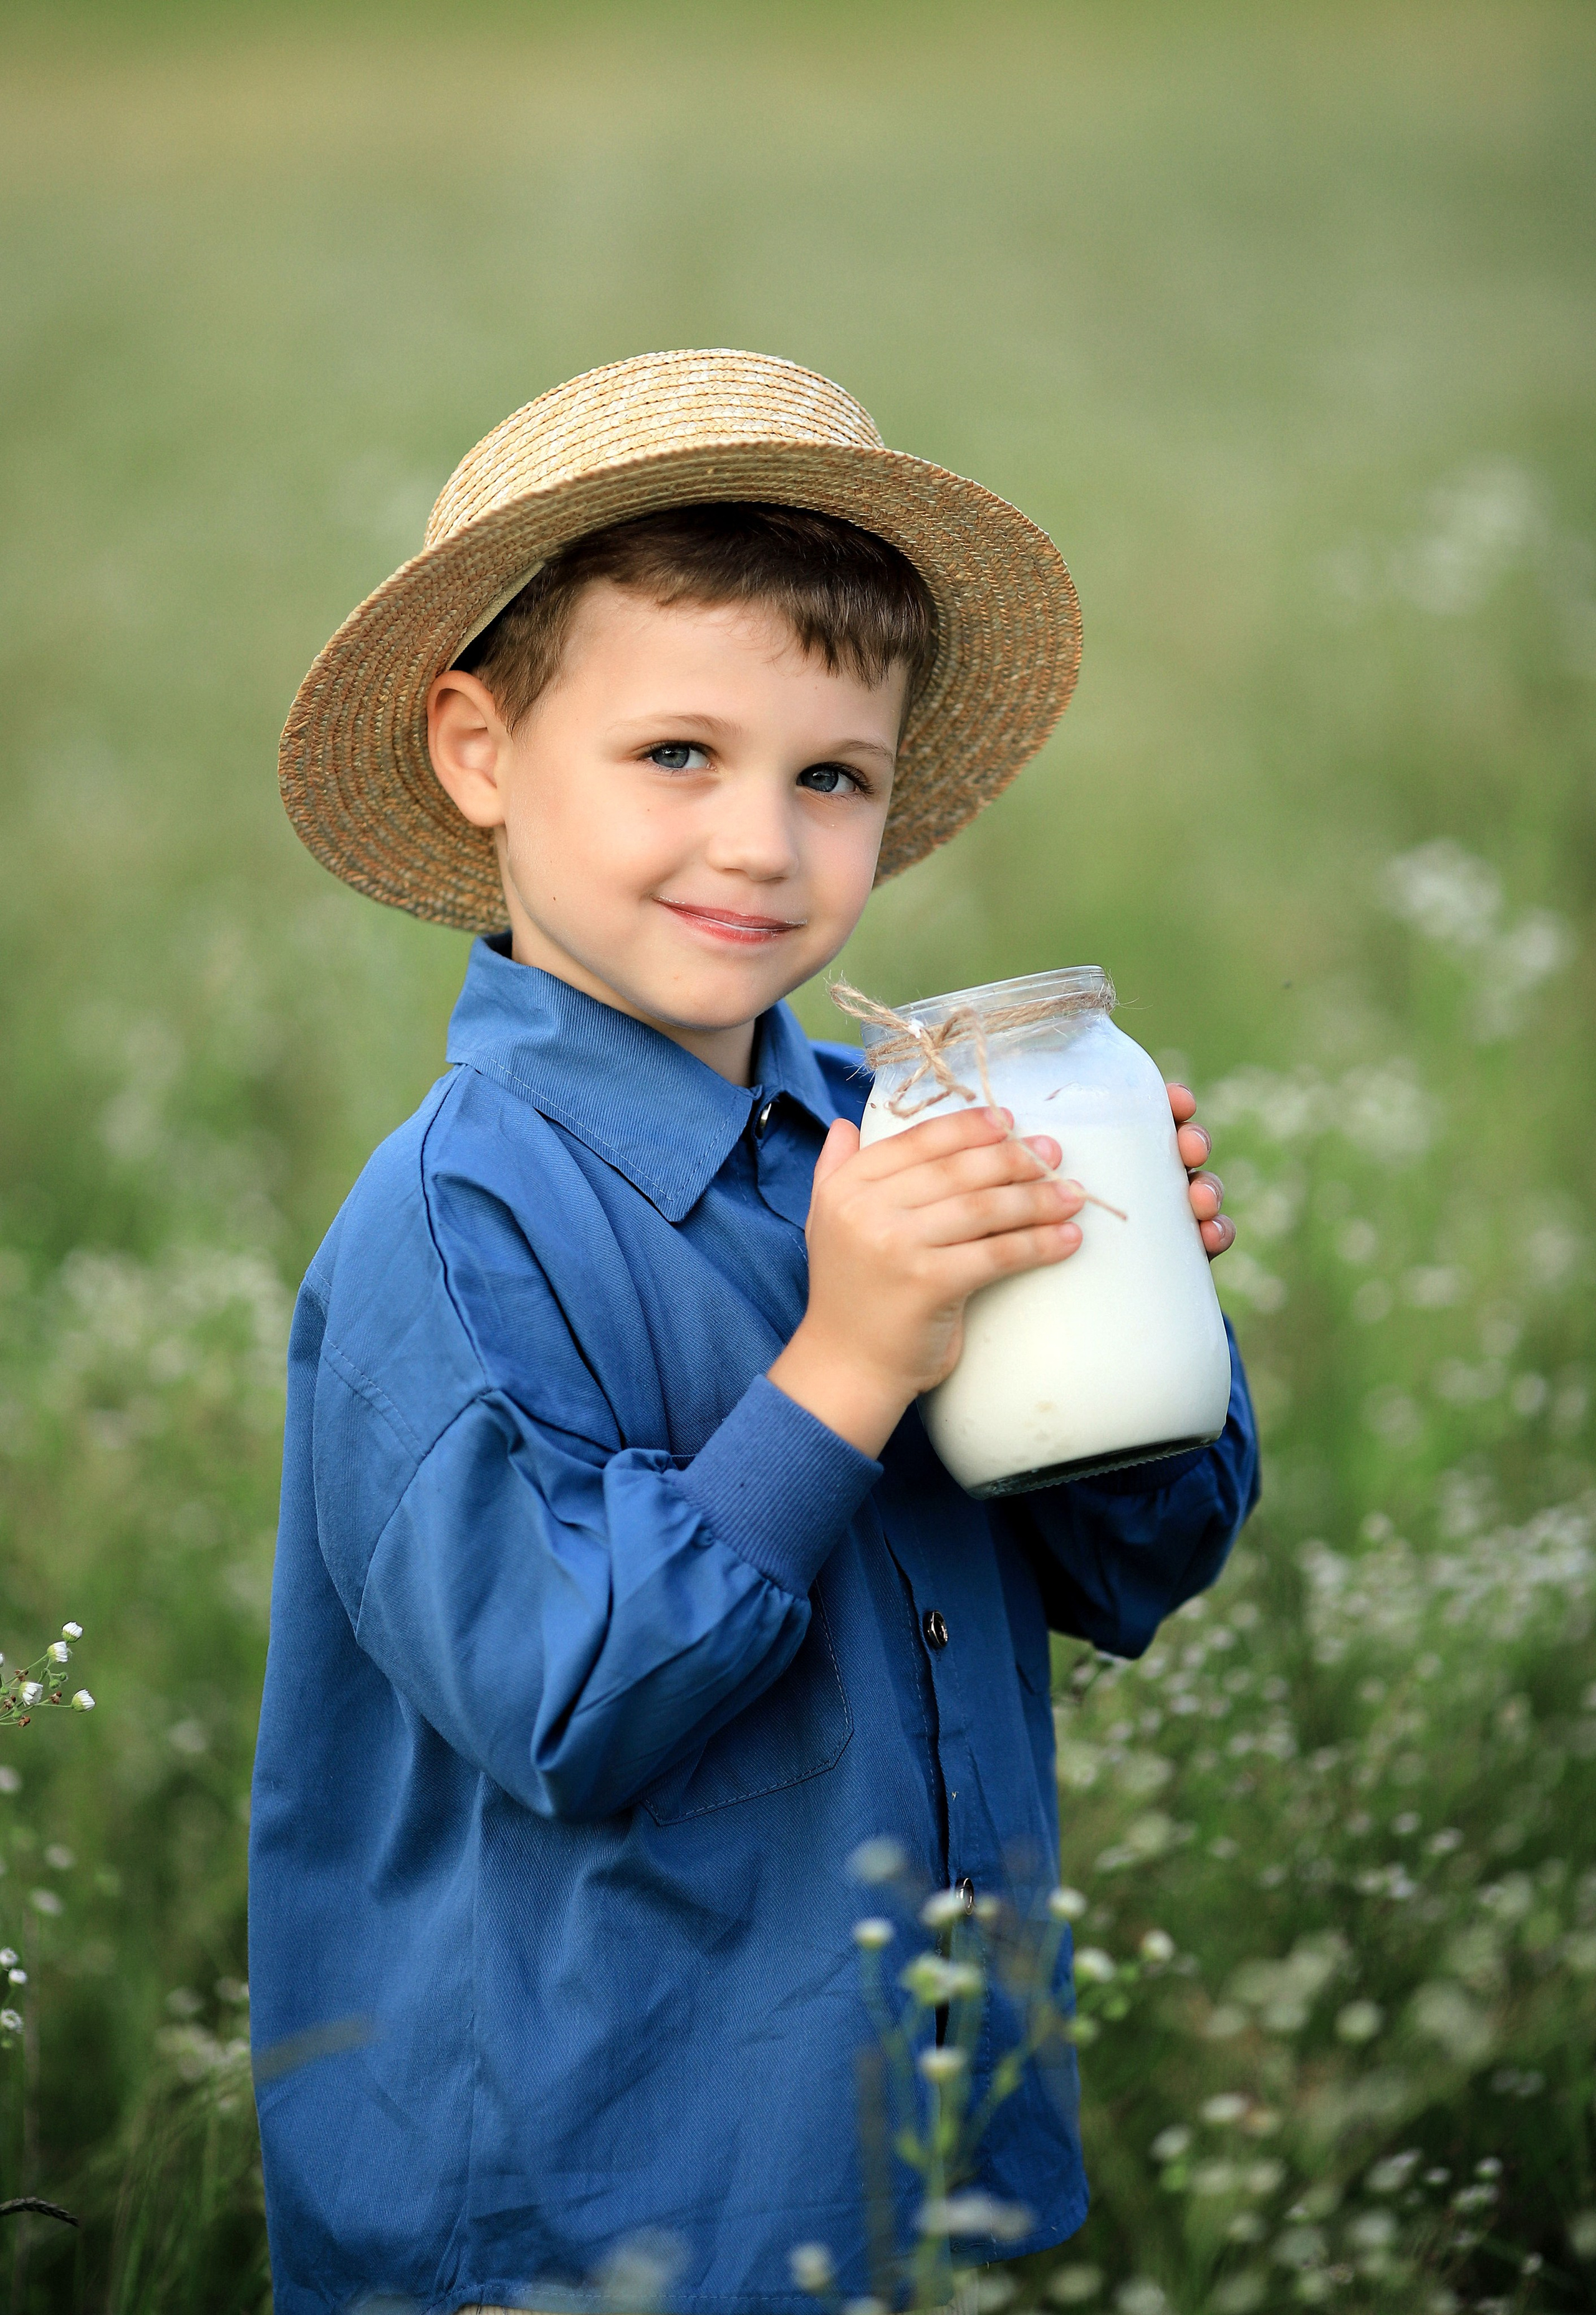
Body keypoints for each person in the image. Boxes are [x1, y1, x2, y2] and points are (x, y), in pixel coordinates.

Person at [251, 348, 1258, 2315]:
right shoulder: (454, 1219)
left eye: (832, 778)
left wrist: (1138, 1326)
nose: (759, 843)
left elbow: (1131, 1567)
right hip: (578, 2214)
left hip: (893, 2155)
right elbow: (563, 1701)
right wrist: (850, 1362)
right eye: (676, 755)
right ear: (479, 750)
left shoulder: (908, 1129)